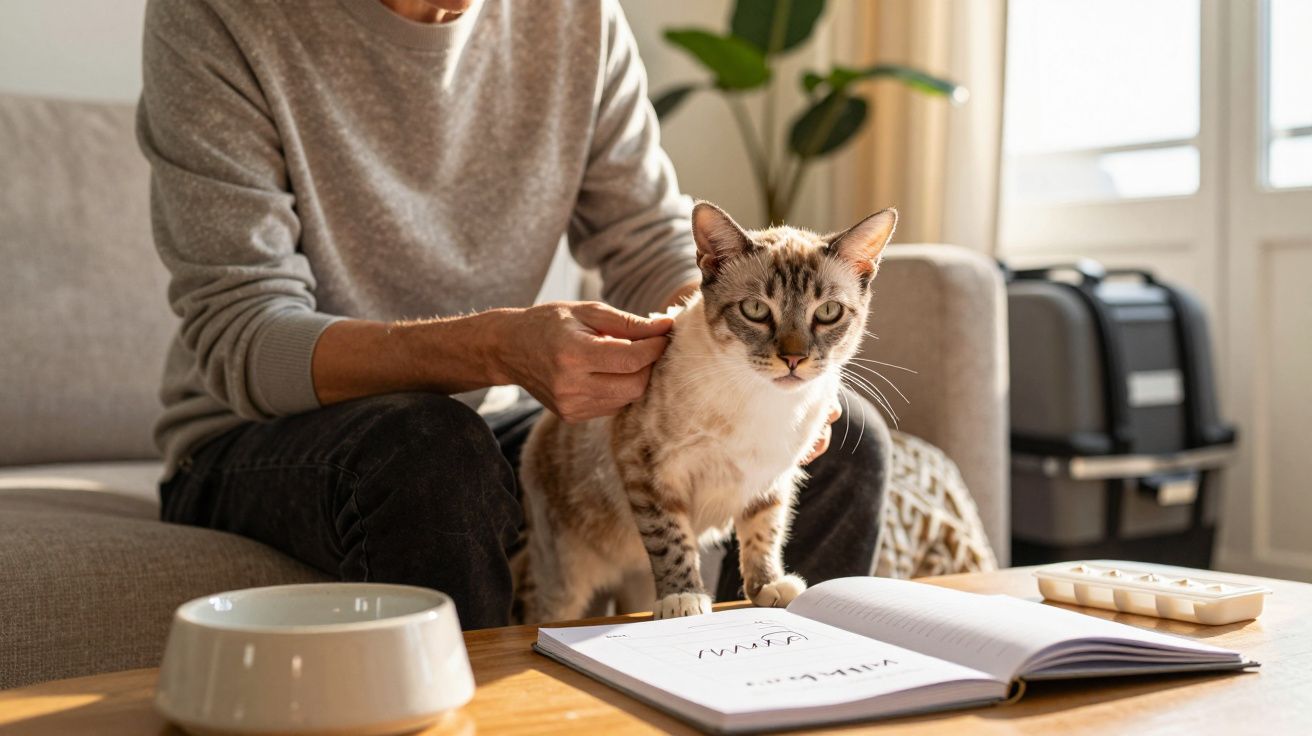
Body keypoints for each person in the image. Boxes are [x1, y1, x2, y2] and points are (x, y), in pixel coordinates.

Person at [138, 0, 889, 629]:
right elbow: (242, 333)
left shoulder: (576, 14)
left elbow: (648, 241)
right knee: (434, 456)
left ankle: (746, 690)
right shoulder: (218, 15)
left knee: (848, 440)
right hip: (267, 432)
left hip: (502, 409)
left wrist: (725, 355)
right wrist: (495, 348)